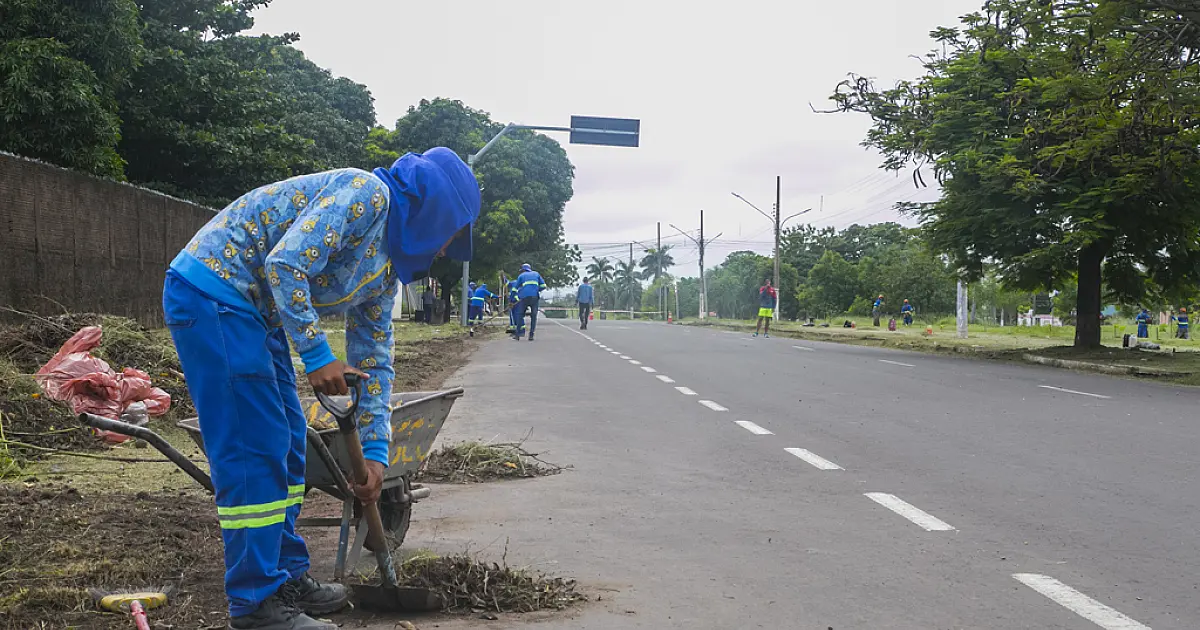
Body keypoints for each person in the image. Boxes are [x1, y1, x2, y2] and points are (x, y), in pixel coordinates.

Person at [162, 147, 479, 630]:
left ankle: (285, 576)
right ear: (434, 212)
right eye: (448, 236)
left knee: (289, 442)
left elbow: (375, 362)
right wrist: (316, 355)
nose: (442, 251)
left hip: (253, 313)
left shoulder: (383, 275)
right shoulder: (368, 196)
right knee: (255, 449)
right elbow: (285, 264)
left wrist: (376, 456)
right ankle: (255, 605)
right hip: (213, 293)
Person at [513, 263, 546, 340]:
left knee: (520, 315)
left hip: (524, 297)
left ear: (523, 270)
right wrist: (536, 290)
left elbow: (514, 289)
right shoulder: (536, 274)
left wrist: (512, 299)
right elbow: (544, 286)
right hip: (534, 297)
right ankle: (531, 335)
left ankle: (517, 335)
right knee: (534, 316)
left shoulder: (521, 276)